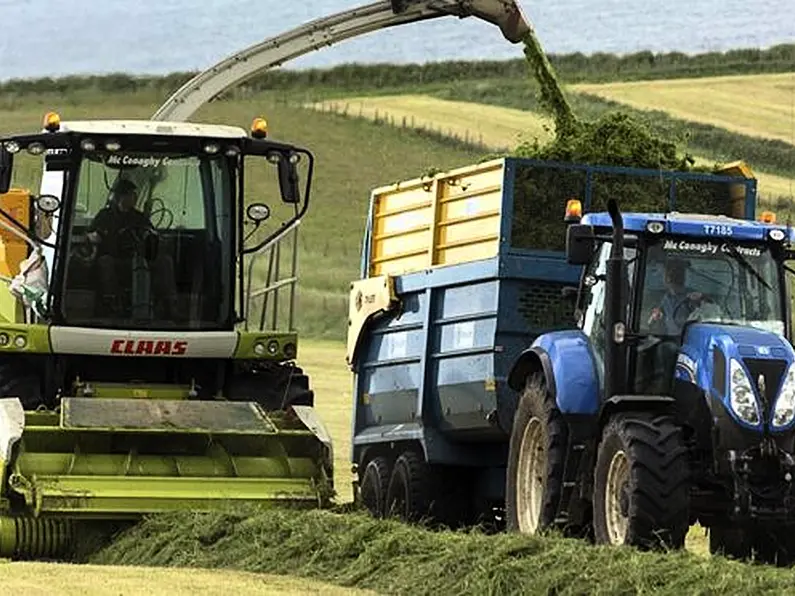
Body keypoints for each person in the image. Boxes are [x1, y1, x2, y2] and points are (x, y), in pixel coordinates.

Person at [87, 178, 178, 319]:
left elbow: (152, 234)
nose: (133, 198)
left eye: (134, 195)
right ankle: (111, 304)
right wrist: (93, 237)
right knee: (105, 262)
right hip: (116, 260)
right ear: (119, 197)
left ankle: (169, 305)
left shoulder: (139, 217)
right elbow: (91, 234)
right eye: (129, 195)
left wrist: (155, 240)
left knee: (165, 261)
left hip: (140, 260)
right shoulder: (104, 216)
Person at [648, 258, 704, 336]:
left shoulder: (692, 296)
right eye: (668, 271)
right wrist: (655, 315)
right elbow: (653, 320)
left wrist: (701, 299)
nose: (671, 275)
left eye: (676, 272)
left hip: (688, 340)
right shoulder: (665, 297)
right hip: (670, 340)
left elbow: (706, 312)